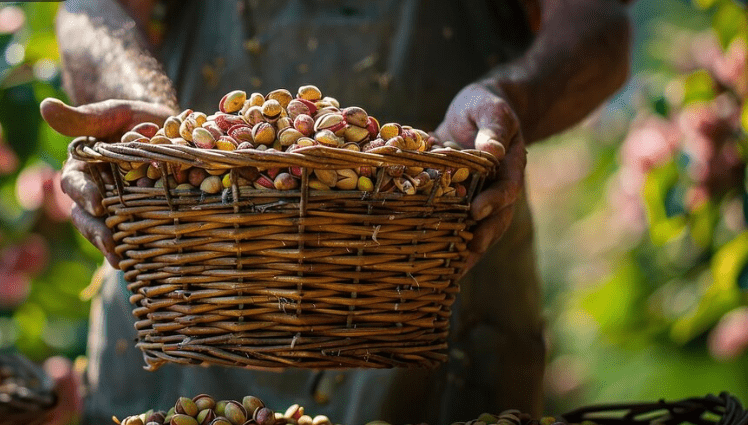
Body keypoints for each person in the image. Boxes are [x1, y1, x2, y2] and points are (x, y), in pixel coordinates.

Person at [40, 1, 633, 424]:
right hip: (187, 292)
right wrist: (150, 132)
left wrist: (511, 100)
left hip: (437, 294)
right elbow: (95, 8)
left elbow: (597, 20)